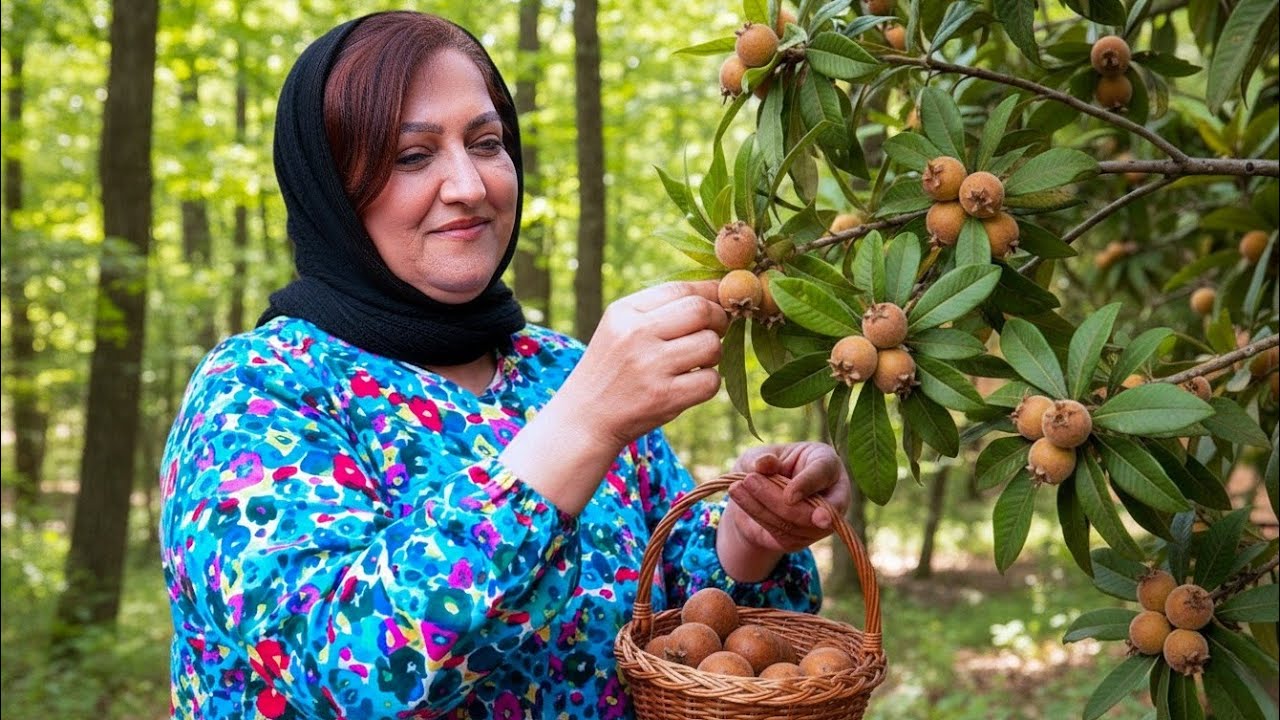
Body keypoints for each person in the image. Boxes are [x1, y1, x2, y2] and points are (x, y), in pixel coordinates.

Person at [158, 10, 851, 720]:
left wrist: (751, 535)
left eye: (486, 143)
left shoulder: (561, 368)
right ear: (330, 189)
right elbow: (350, 669)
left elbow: (672, 616)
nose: (470, 185)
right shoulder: (260, 389)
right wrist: (583, 425)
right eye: (413, 156)